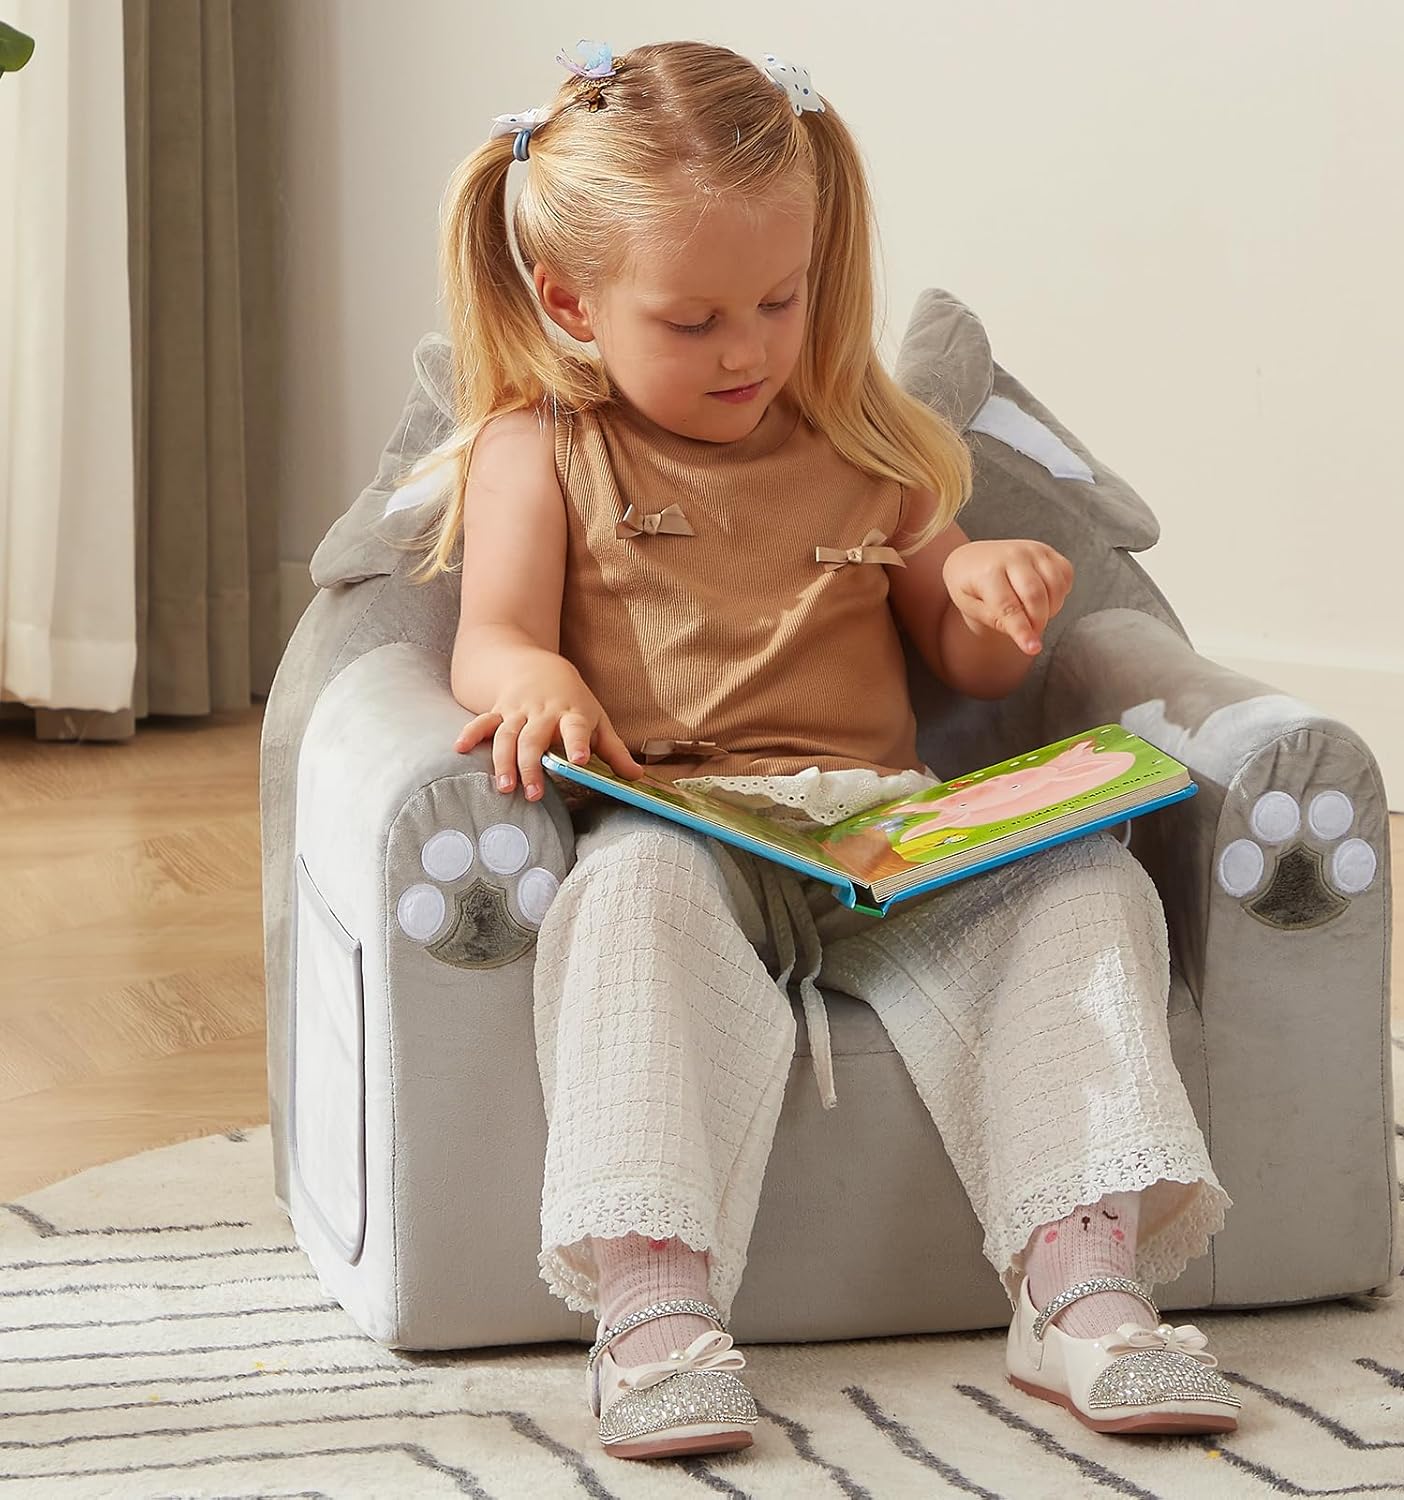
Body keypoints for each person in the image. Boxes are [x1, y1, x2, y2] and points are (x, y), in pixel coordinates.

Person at [404, 37, 1241, 1462]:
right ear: (571, 299)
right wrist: (535, 678)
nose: (746, 350)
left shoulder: (867, 443)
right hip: (690, 827)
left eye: (779, 302)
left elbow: (963, 658)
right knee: (622, 905)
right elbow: (489, 639)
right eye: (693, 320)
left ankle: (1081, 1281)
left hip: (888, 835)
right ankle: (654, 1308)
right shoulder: (540, 449)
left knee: (1090, 884)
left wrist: (992, 599)